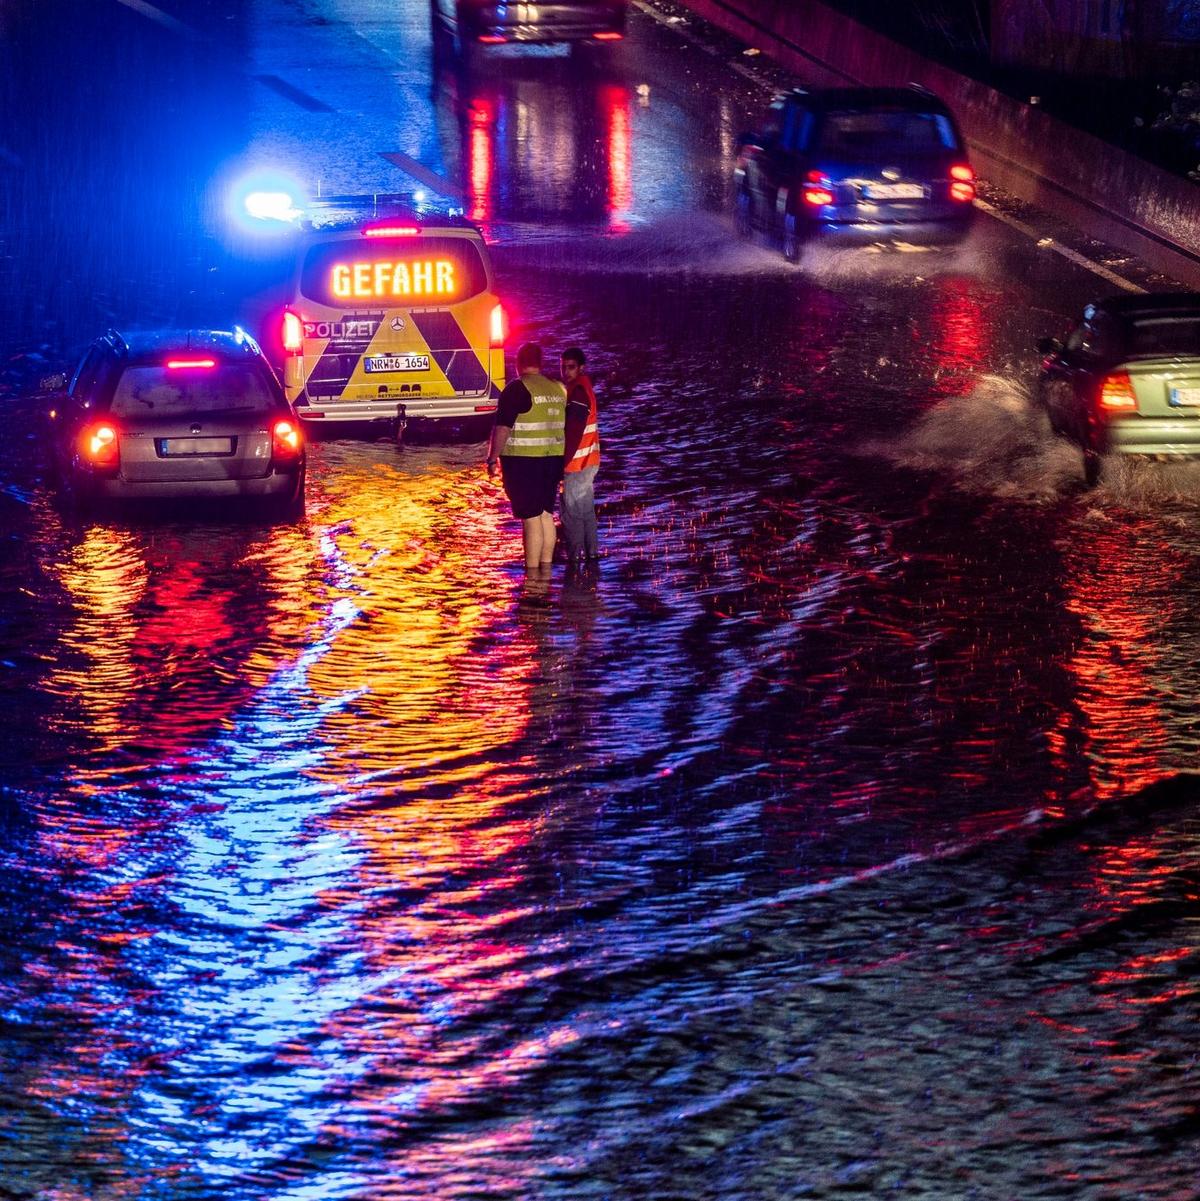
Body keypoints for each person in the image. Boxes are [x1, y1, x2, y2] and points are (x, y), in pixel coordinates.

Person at [487, 342, 566, 571]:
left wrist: (493, 459)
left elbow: (502, 428)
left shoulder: (516, 389)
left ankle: (532, 576)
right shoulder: (559, 388)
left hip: (524, 463)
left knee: (530, 518)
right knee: (545, 514)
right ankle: (546, 570)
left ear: (517, 363)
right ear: (541, 363)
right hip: (554, 461)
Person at [559, 345, 601, 563]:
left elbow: (573, 434)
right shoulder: (585, 388)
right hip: (589, 462)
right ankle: (592, 558)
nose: (566, 372)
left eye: (571, 367)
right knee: (586, 513)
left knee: (572, 516)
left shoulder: (577, 393)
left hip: (576, 465)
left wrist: (560, 465)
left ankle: (574, 561)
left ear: (581, 368)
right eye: (563, 367)